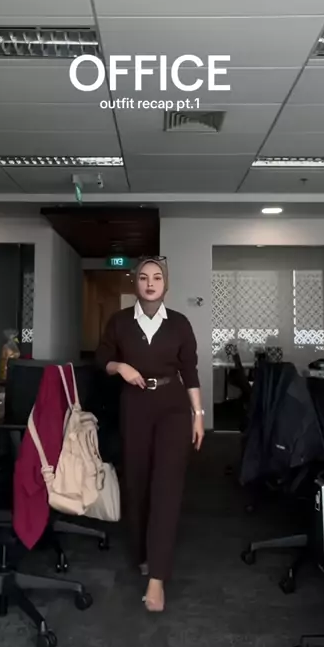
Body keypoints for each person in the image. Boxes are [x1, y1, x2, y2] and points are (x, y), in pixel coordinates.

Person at [96, 256, 204, 613]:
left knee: (166, 486)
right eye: (143, 277)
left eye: (157, 277)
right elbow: (101, 358)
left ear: (165, 284)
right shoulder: (120, 322)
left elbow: (190, 371)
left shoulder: (180, 324)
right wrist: (120, 366)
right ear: (136, 284)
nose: (150, 283)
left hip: (173, 407)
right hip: (135, 406)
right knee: (137, 483)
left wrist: (198, 415)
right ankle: (142, 552)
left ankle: (157, 577)